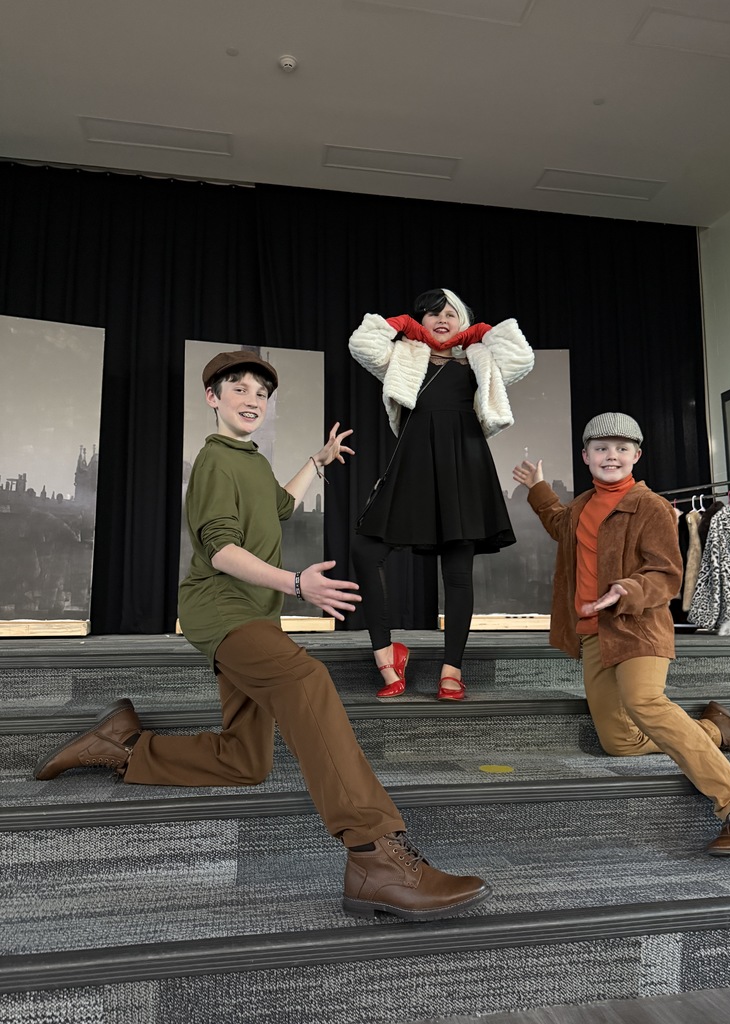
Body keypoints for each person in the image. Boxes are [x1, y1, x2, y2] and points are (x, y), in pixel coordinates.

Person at [34, 349, 491, 920]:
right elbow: (221, 550)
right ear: (213, 398)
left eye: (261, 393)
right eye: (239, 389)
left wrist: (317, 461)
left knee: (245, 758)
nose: (252, 399)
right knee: (307, 680)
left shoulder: (246, 459)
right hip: (224, 610)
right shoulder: (212, 463)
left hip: (252, 613)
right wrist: (297, 582)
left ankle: (125, 747)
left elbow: (278, 507)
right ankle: (375, 857)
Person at [512, 411, 730, 856]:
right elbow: (561, 526)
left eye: (622, 448)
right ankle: (715, 729)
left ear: (637, 456)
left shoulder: (648, 506)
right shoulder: (582, 506)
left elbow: (667, 575)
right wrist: (537, 487)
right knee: (620, 742)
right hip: (595, 634)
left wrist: (623, 589)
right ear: (586, 456)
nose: (612, 455)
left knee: (645, 702)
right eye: (602, 448)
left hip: (639, 627)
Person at [349, 288, 534, 701]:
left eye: (450, 313)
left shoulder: (479, 359)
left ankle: (452, 670)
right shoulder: (405, 357)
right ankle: (386, 655)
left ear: (463, 319)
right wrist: (400, 326)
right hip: (414, 465)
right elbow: (362, 343)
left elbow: (522, 356)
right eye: (431, 315)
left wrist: (481, 333)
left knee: (457, 572)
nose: (441, 319)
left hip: (464, 467)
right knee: (366, 550)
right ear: (421, 323)